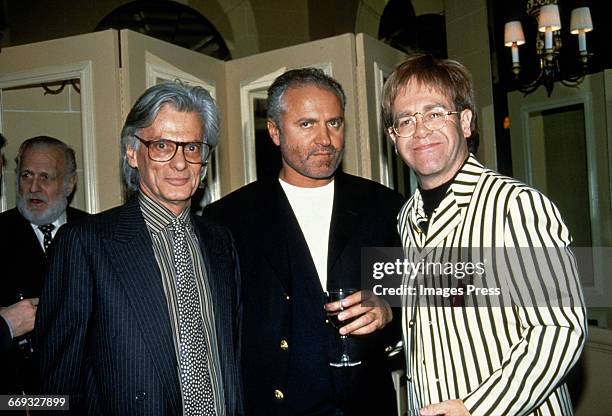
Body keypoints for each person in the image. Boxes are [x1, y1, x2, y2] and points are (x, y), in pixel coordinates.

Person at [381, 54, 587, 416]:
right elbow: (435, 321)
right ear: (393, 136)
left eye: (434, 113)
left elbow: (561, 330)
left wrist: (476, 409)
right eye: (405, 120)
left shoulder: (516, 206)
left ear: (465, 122)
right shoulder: (406, 218)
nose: (420, 130)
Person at [204, 68, 404, 415]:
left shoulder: (382, 206)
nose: (325, 139)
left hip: (366, 405)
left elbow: (412, 302)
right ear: (274, 132)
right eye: (307, 124)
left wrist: (388, 311)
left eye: (335, 123)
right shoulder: (230, 219)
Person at [35, 82, 243, 415]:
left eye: (192, 147)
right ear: (132, 153)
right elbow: (55, 387)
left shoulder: (221, 243)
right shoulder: (86, 244)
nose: (180, 163)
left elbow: (233, 363)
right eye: (162, 145)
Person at [0, 136, 88, 396]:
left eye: (45, 177)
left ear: (70, 183)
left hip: (81, 398)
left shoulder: (95, 233)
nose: (33, 187)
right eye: (26, 175)